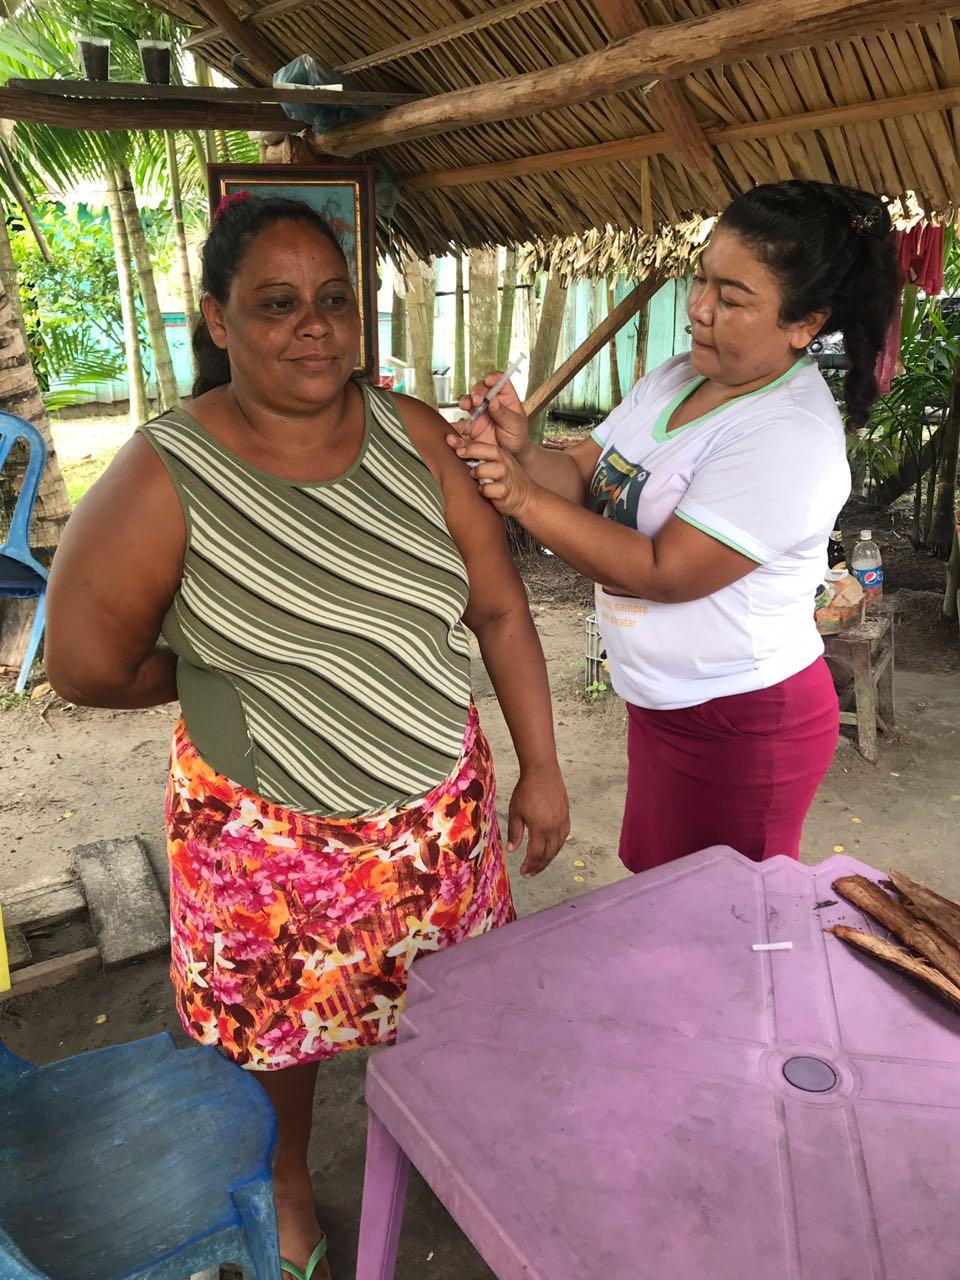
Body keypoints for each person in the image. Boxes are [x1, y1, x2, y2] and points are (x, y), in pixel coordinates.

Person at [44, 193, 569, 1280]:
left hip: (438, 827)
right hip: (272, 846)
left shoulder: (415, 435)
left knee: (450, 1011)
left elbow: (501, 608)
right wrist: (232, 677)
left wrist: (544, 765)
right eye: (277, 303)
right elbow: (89, 665)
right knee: (285, 1039)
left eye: (333, 300)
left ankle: (444, 1147)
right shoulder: (162, 475)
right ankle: (285, 1177)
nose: (315, 325)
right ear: (219, 320)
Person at [451, 180, 899, 877]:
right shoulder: (676, 377)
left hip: (743, 719)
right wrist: (522, 452)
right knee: (662, 894)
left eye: (732, 297)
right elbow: (582, 478)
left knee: (718, 930)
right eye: (700, 280)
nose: (698, 309)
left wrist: (520, 500)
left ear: (805, 323)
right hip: (666, 703)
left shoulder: (788, 434)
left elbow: (665, 573)